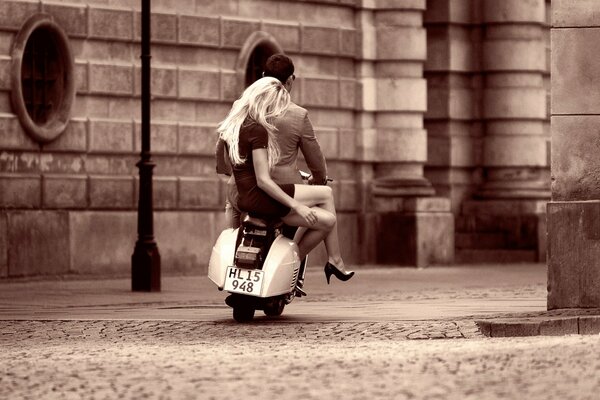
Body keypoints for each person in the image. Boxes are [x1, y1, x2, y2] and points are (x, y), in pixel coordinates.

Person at [217, 77, 354, 285]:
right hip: (262, 200)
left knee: (324, 216)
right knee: (328, 216)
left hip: (244, 198)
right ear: (265, 101)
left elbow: (224, 168)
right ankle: (297, 262)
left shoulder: (234, 127)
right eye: (276, 104)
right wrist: (297, 206)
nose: (277, 111)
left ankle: (304, 261)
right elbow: (263, 180)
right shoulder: (257, 130)